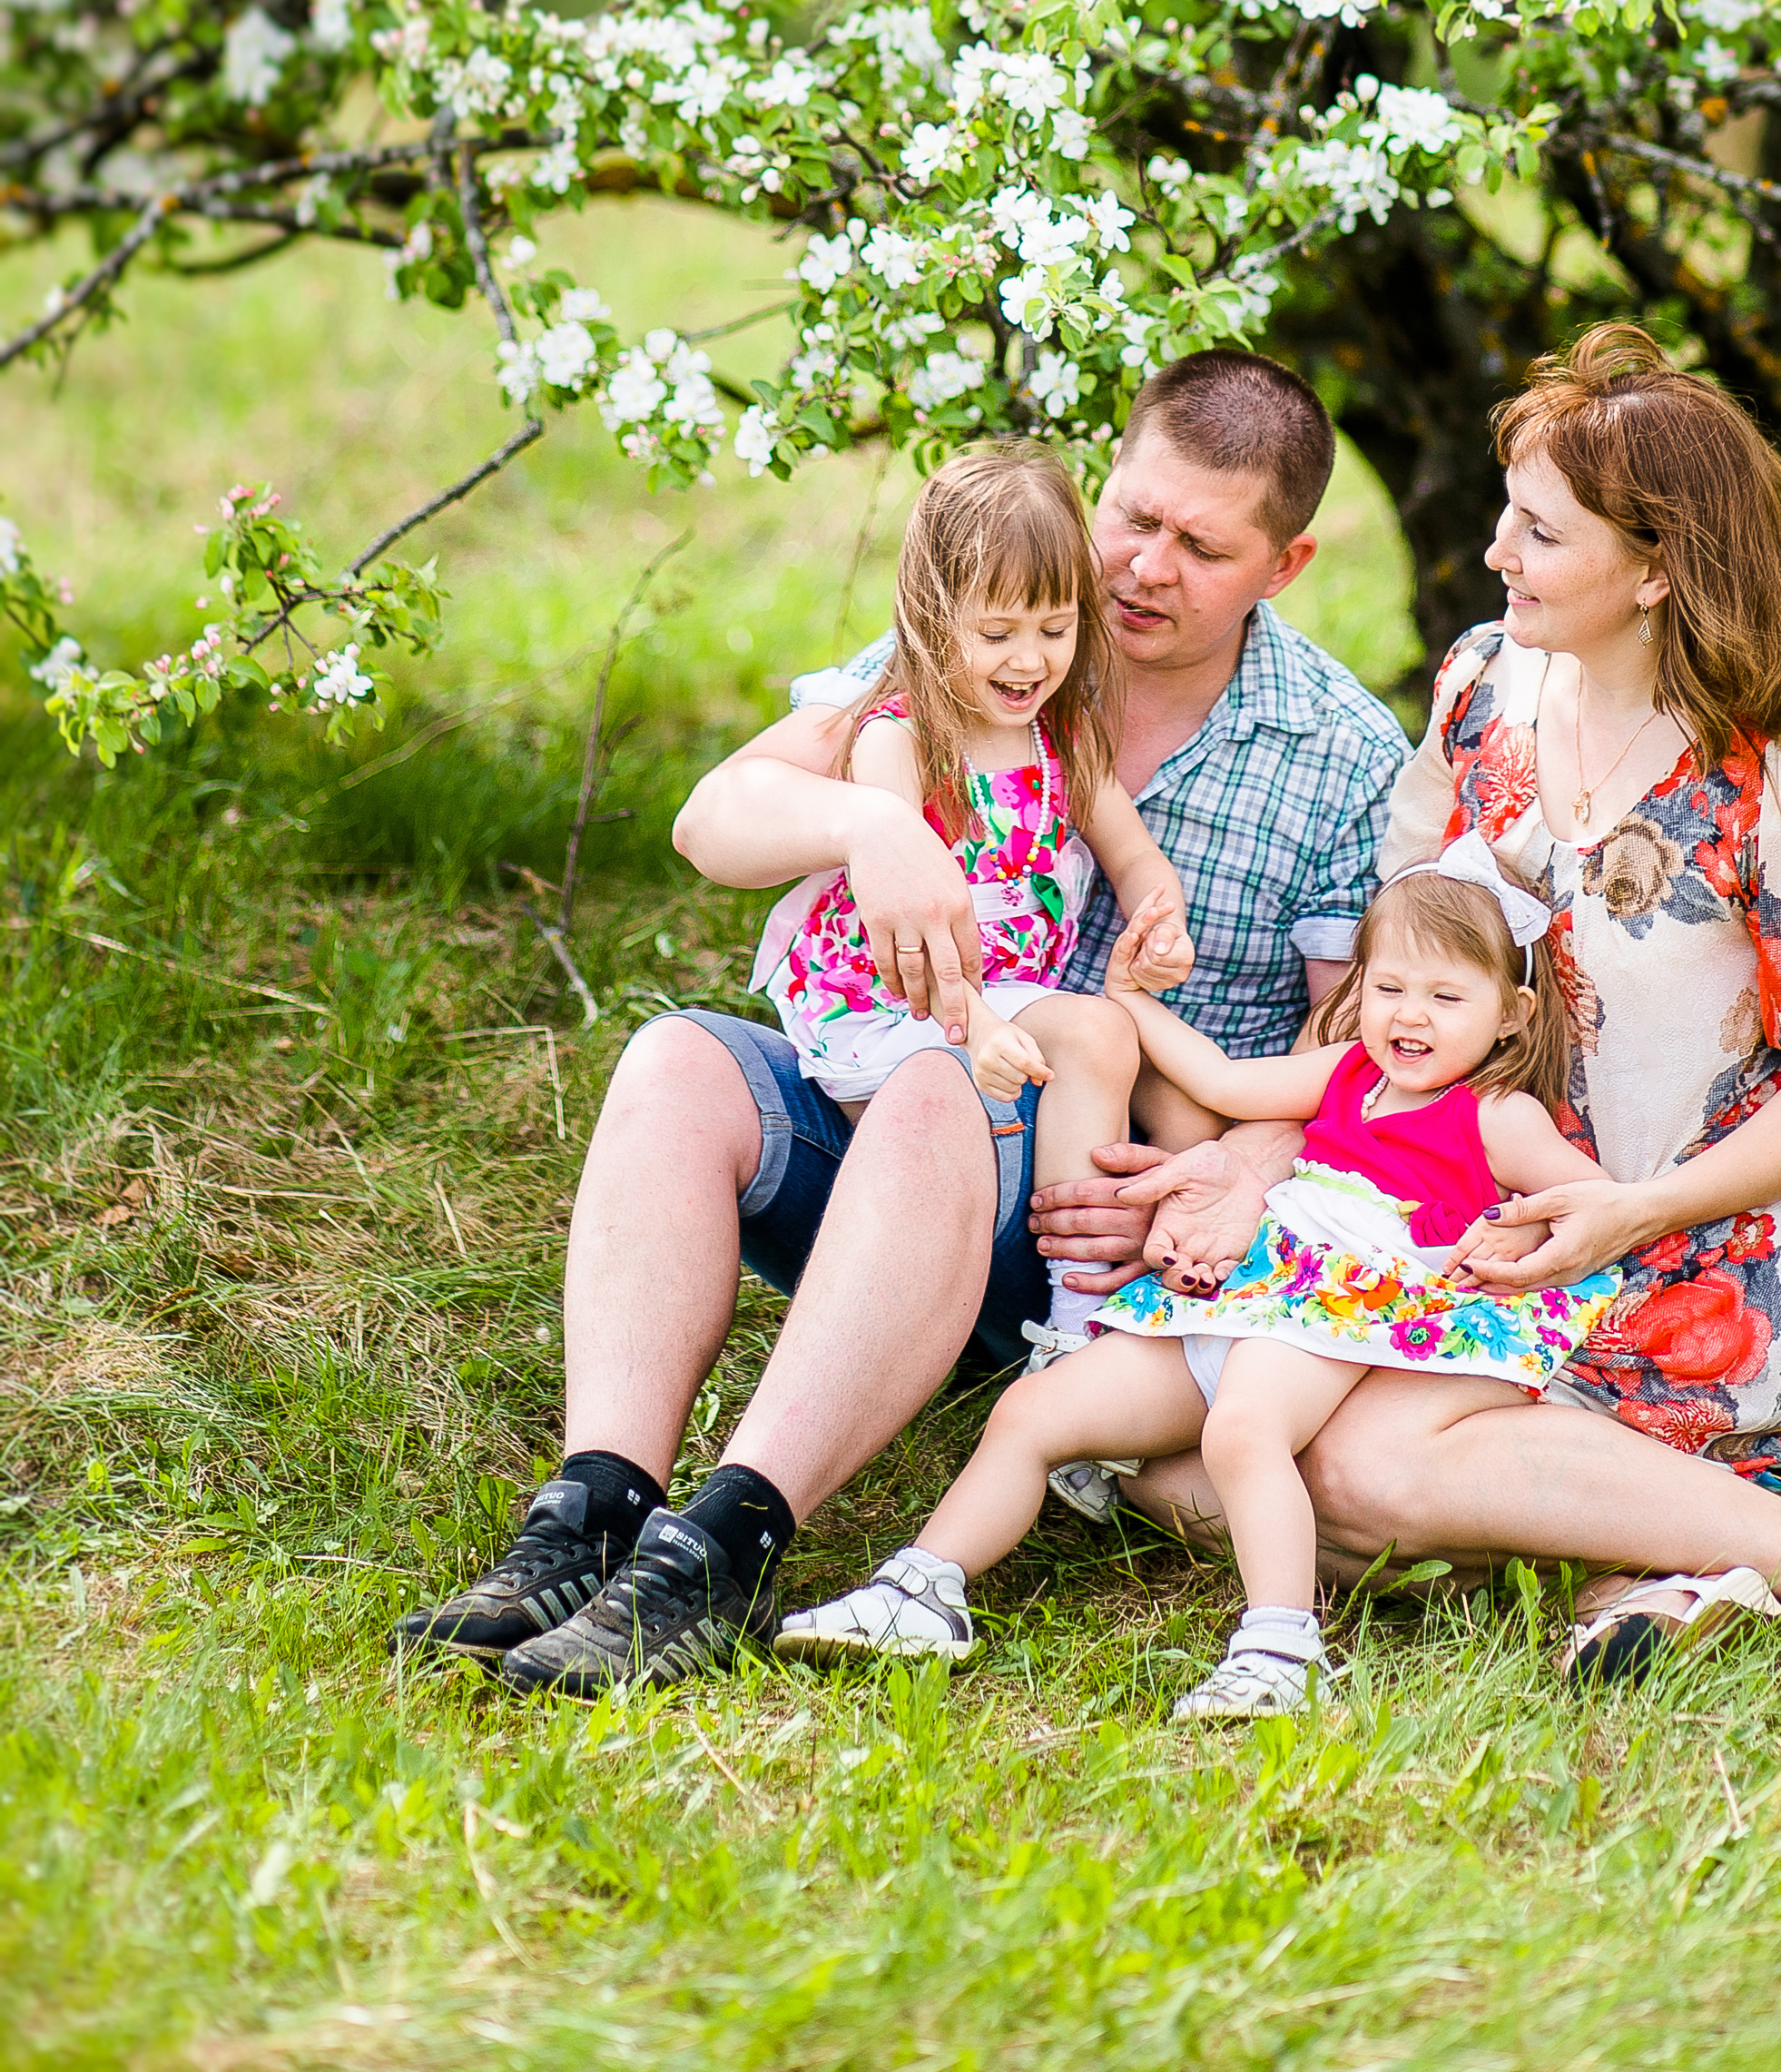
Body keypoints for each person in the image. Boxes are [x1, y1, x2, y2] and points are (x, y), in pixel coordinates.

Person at [390, 346, 1409, 1692]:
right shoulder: (990, 624)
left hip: (1110, 1247)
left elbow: (1385, 1059)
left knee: (942, 1079)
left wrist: (1236, 1167)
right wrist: (868, 819)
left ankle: (727, 1546)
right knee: (678, 1062)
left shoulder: (1339, 755)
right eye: (1133, 516)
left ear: (1285, 566)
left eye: (1201, 547)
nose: (1143, 569)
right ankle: (593, 1510)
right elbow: (714, 819)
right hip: (900, 1154)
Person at [1110, 327, 1781, 1672]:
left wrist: (1636, 1210)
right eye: (1506, 519)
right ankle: (1659, 1563)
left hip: (1694, 1252)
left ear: (1655, 569)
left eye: (1539, 534)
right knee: (1160, 1462)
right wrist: (1255, 1161)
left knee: (1343, 1470)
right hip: (1459, 1215)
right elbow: (1383, 989)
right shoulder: (1486, 687)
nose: (1495, 558)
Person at [777, 858, 1623, 1721]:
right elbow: (1218, 1081)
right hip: (1247, 1283)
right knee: (1036, 1415)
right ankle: (923, 1593)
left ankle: (1282, 1648)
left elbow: (1600, 1202)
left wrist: (1517, 1225)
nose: (1409, 1016)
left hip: (1342, 1308)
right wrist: (1133, 1001)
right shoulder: (1346, 1075)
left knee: (1245, 1430)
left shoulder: (1493, 1115)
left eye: (1447, 998)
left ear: (1512, 1017)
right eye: (1390, 986)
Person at [754, 439, 1194, 1377]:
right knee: (970, 1097)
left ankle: (1074, 1319)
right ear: (928, 615)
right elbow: (907, 943)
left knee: (1112, 1037)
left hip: (999, 993)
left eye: (1055, 627)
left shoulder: (1063, 736)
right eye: (997, 633)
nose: (1029, 660)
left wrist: (1161, 916)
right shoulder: (900, 739)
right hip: (895, 996)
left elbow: (1130, 850)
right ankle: (920, 1314)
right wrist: (973, 1023)